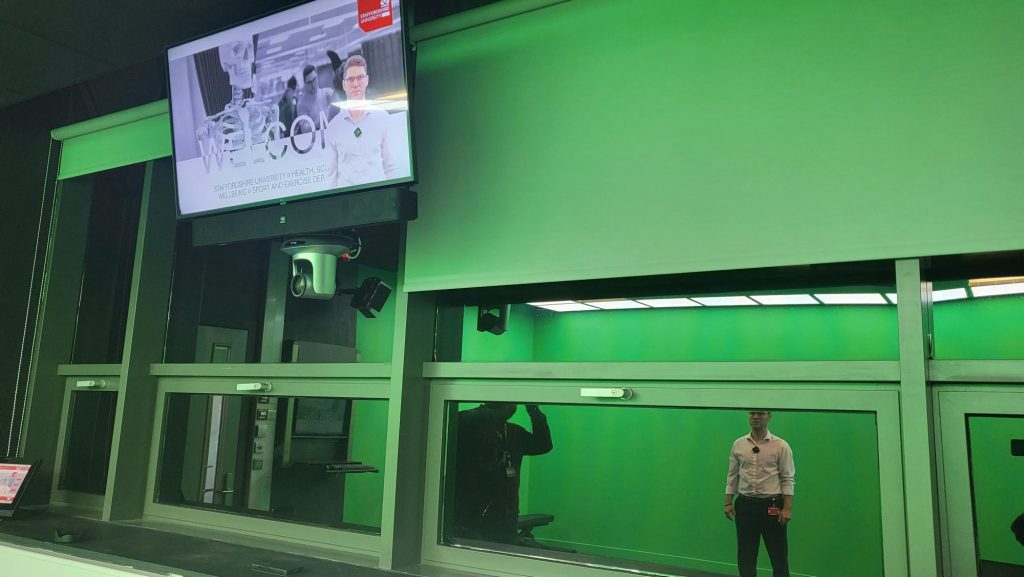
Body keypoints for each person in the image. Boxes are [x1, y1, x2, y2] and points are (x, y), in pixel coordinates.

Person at [453, 403, 553, 543]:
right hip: (473, 517)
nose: (514, 405)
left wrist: (534, 410)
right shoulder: (469, 423)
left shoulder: (513, 432)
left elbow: (543, 444)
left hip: (506, 515)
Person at [724, 410, 795, 577]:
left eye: (761, 414)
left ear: (769, 417)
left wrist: (787, 508)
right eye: (752, 413)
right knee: (746, 555)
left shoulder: (781, 445)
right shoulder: (739, 444)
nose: (755, 417)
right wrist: (728, 502)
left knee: (778, 555)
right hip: (745, 506)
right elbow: (732, 474)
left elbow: (788, 478)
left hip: (772, 506)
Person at [325, 55, 398, 187]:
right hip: (346, 201)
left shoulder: (382, 118)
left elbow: (391, 167)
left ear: (367, 80)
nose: (355, 84)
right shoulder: (334, 126)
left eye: (360, 78)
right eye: (350, 80)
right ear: (344, 84)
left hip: (380, 199)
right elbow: (331, 178)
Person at [295, 64, 333, 134]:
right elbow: (304, 129)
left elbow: (340, 98)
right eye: (309, 82)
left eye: (314, 79)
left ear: (317, 77)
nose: (313, 85)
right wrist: (317, 124)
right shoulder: (301, 104)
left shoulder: (325, 93)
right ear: (305, 83)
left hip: (331, 133)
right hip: (316, 139)